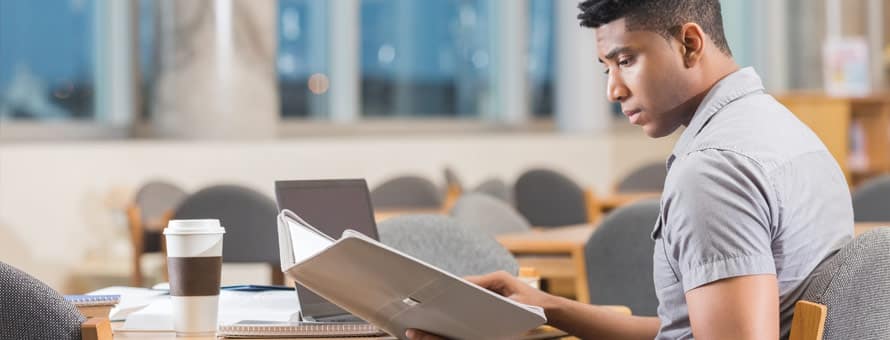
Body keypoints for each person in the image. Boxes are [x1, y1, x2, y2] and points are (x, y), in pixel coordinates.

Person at [407, 0, 854, 339]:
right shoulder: (789, 133)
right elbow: (690, 331)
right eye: (606, 67)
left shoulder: (711, 175)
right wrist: (547, 308)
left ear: (690, 44)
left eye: (625, 61)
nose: (613, 90)